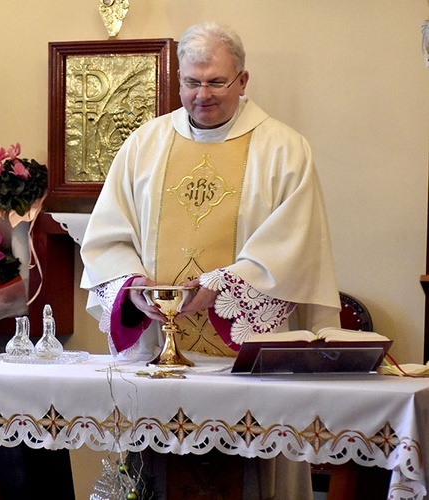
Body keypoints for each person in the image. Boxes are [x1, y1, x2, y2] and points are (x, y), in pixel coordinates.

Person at [79, 21, 342, 499]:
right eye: (191, 82)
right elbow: (106, 237)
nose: (203, 94)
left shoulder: (283, 149)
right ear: (178, 80)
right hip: (160, 365)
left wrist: (223, 287)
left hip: (246, 364)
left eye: (217, 81)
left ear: (243, 81)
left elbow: (293, 247)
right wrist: (134, 286)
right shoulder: (144, 144)